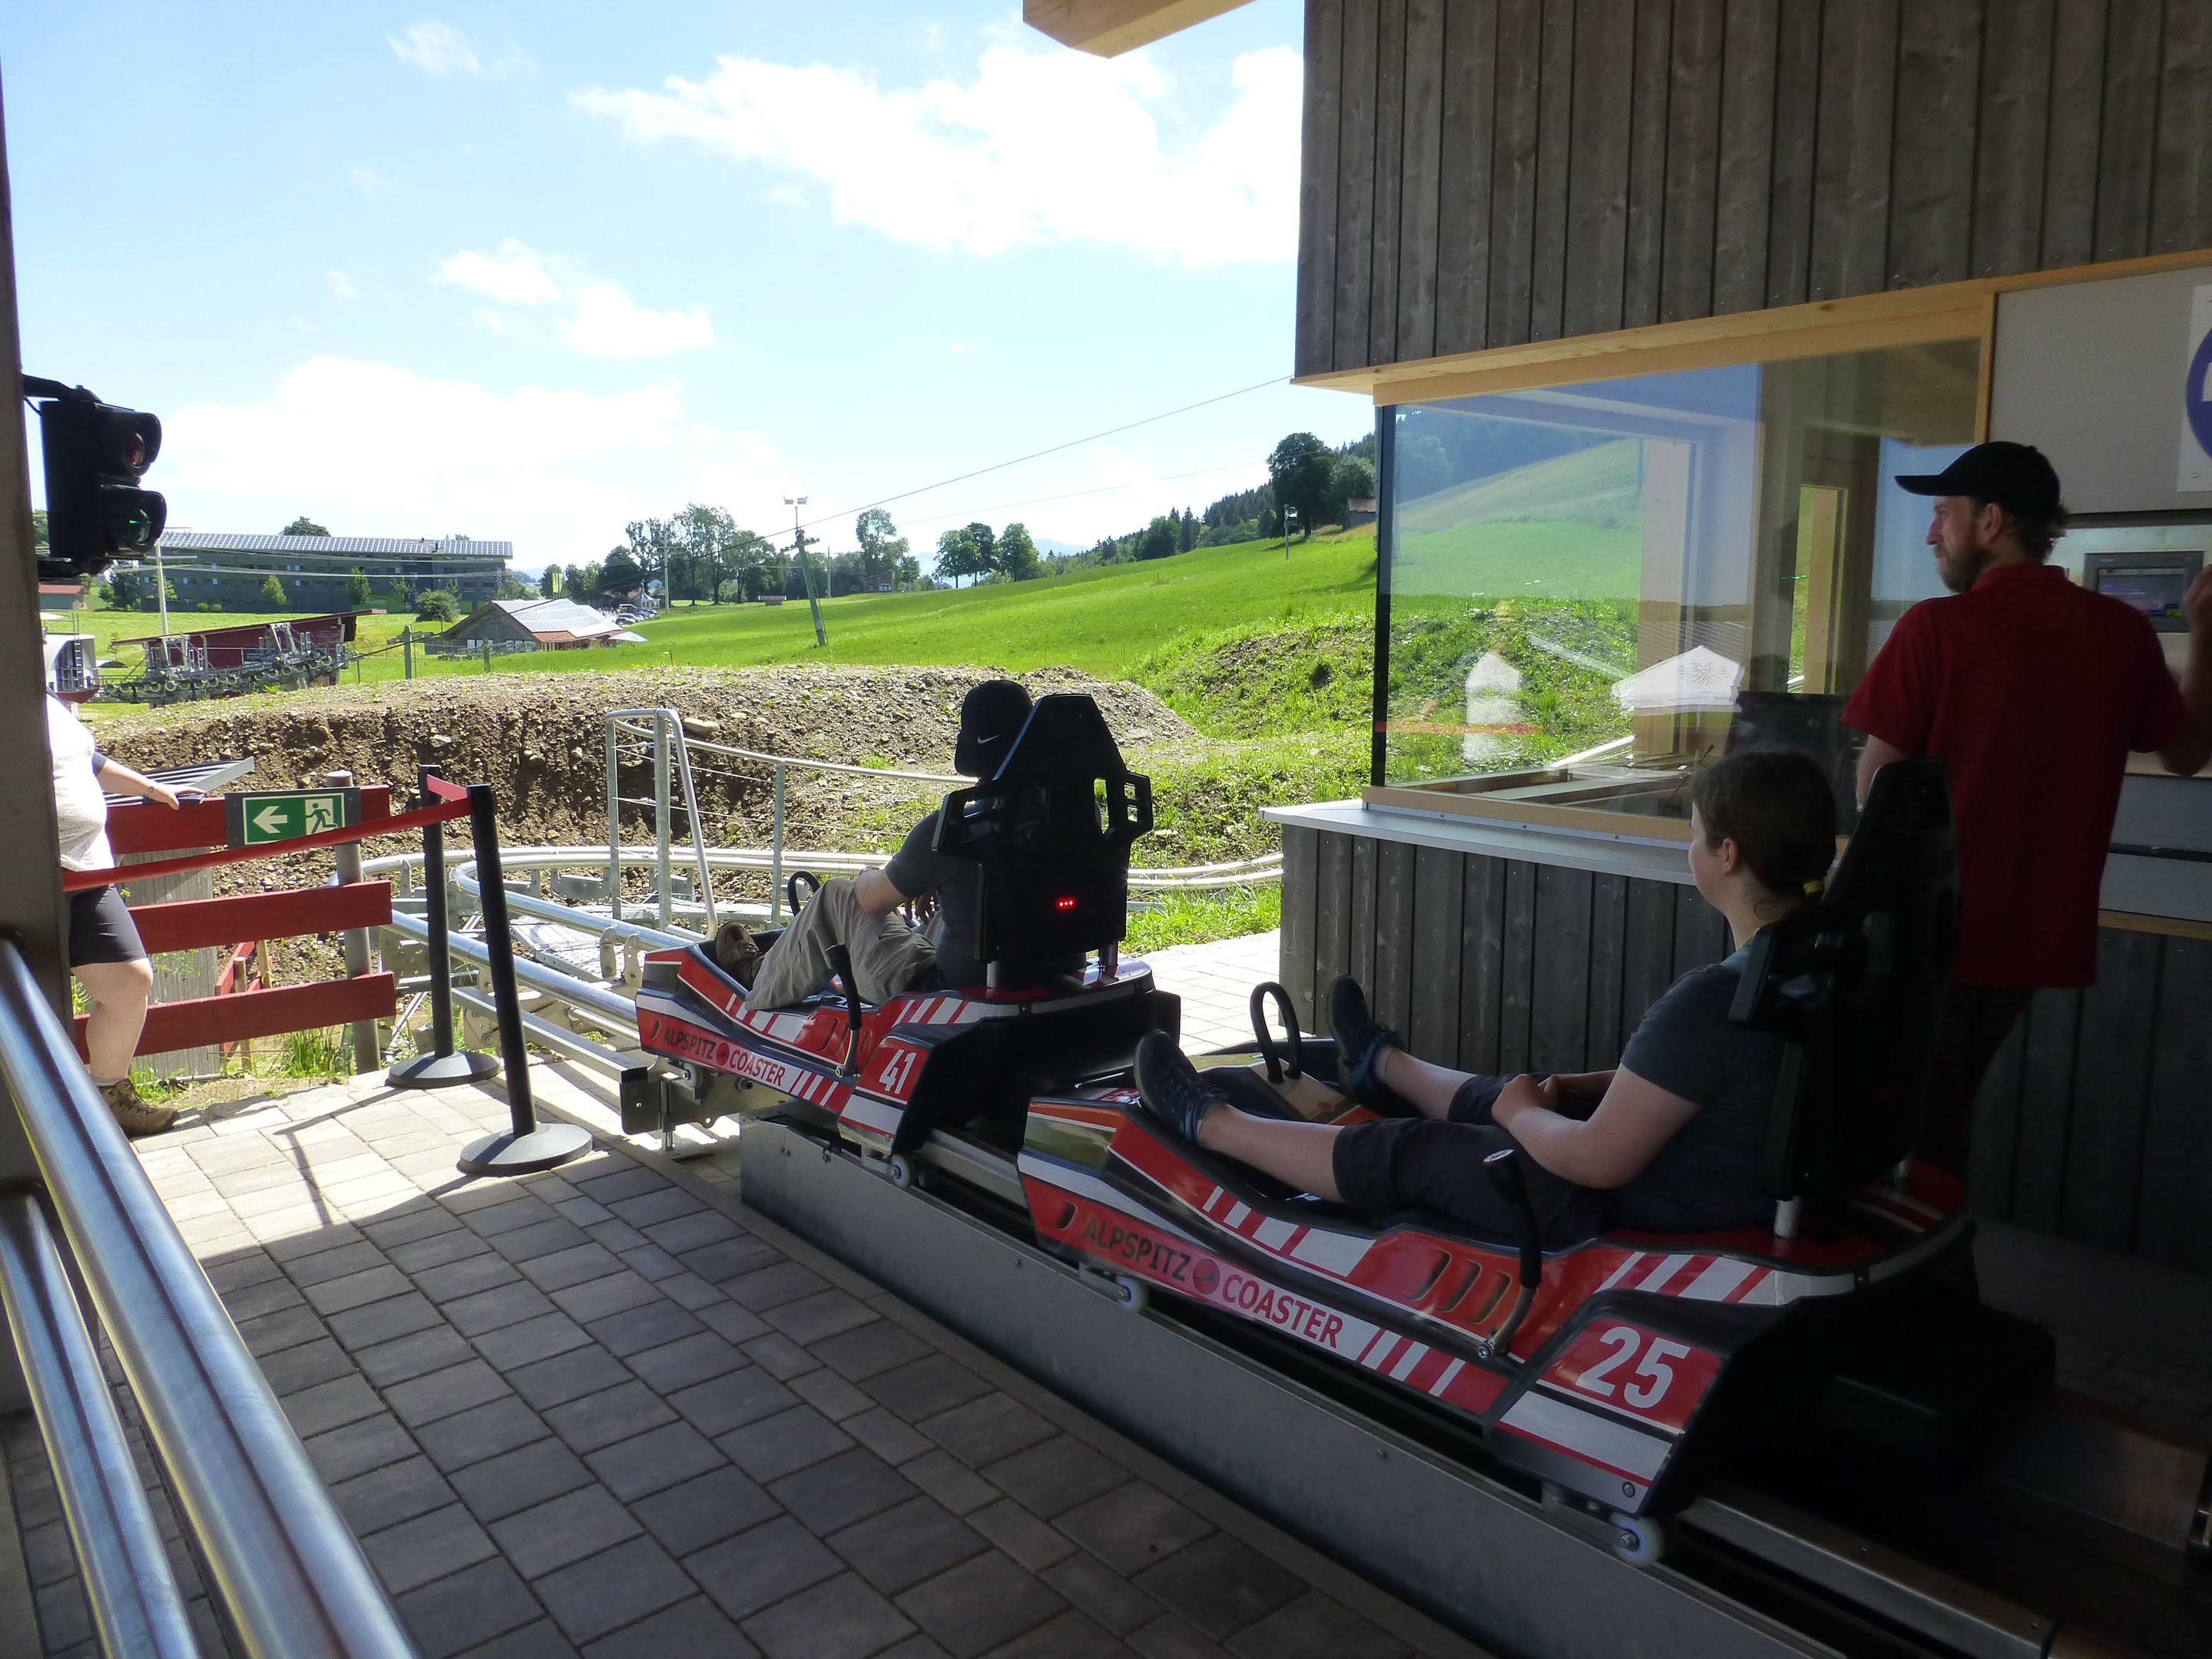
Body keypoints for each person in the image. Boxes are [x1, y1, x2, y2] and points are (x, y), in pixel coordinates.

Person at [1135, 747, 1839, 1243]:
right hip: (1700, 1175)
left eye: (1693, 835)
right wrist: (1572, 1093)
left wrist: (1526, 1119)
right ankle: (1382, 1064)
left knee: (1416, 1149)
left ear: (1728, 856)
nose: (1689, 847)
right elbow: (1713, 1085)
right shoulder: (1811, 963)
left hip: (1620, 1206)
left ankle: (1209, 1122)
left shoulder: (1715, 1001)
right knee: (1521, 1090)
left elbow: (1595, 1161)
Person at [1843, 442, 2212, 1178]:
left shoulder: (1934, 629)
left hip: (1926, 935)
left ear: (1991, 520)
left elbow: (1880, 790)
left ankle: (1914, 1277)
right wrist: (2205, 636)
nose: (1929, 534)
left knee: (1896, 1130)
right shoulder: (2121, 633)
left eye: (1942, 514)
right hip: (2034, 935)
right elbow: (2186, 752)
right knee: (1940, 1116)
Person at [741, 678, 1038, 1008]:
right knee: (945, 915)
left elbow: (872, 901)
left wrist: (870, 874)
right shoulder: (1068, 816)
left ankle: (759, 978)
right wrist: (937, 878)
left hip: (943, 987)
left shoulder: (955, 828)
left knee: (836, 895)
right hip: (1039, 965)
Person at [47, 694, 183, 1136]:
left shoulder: (45, 699)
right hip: (27, 881)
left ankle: (108, 1098)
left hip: (88, 874)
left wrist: (150, 788)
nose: (44, 636)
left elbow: (89, 760)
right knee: (29, 1003)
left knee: (130, 981)